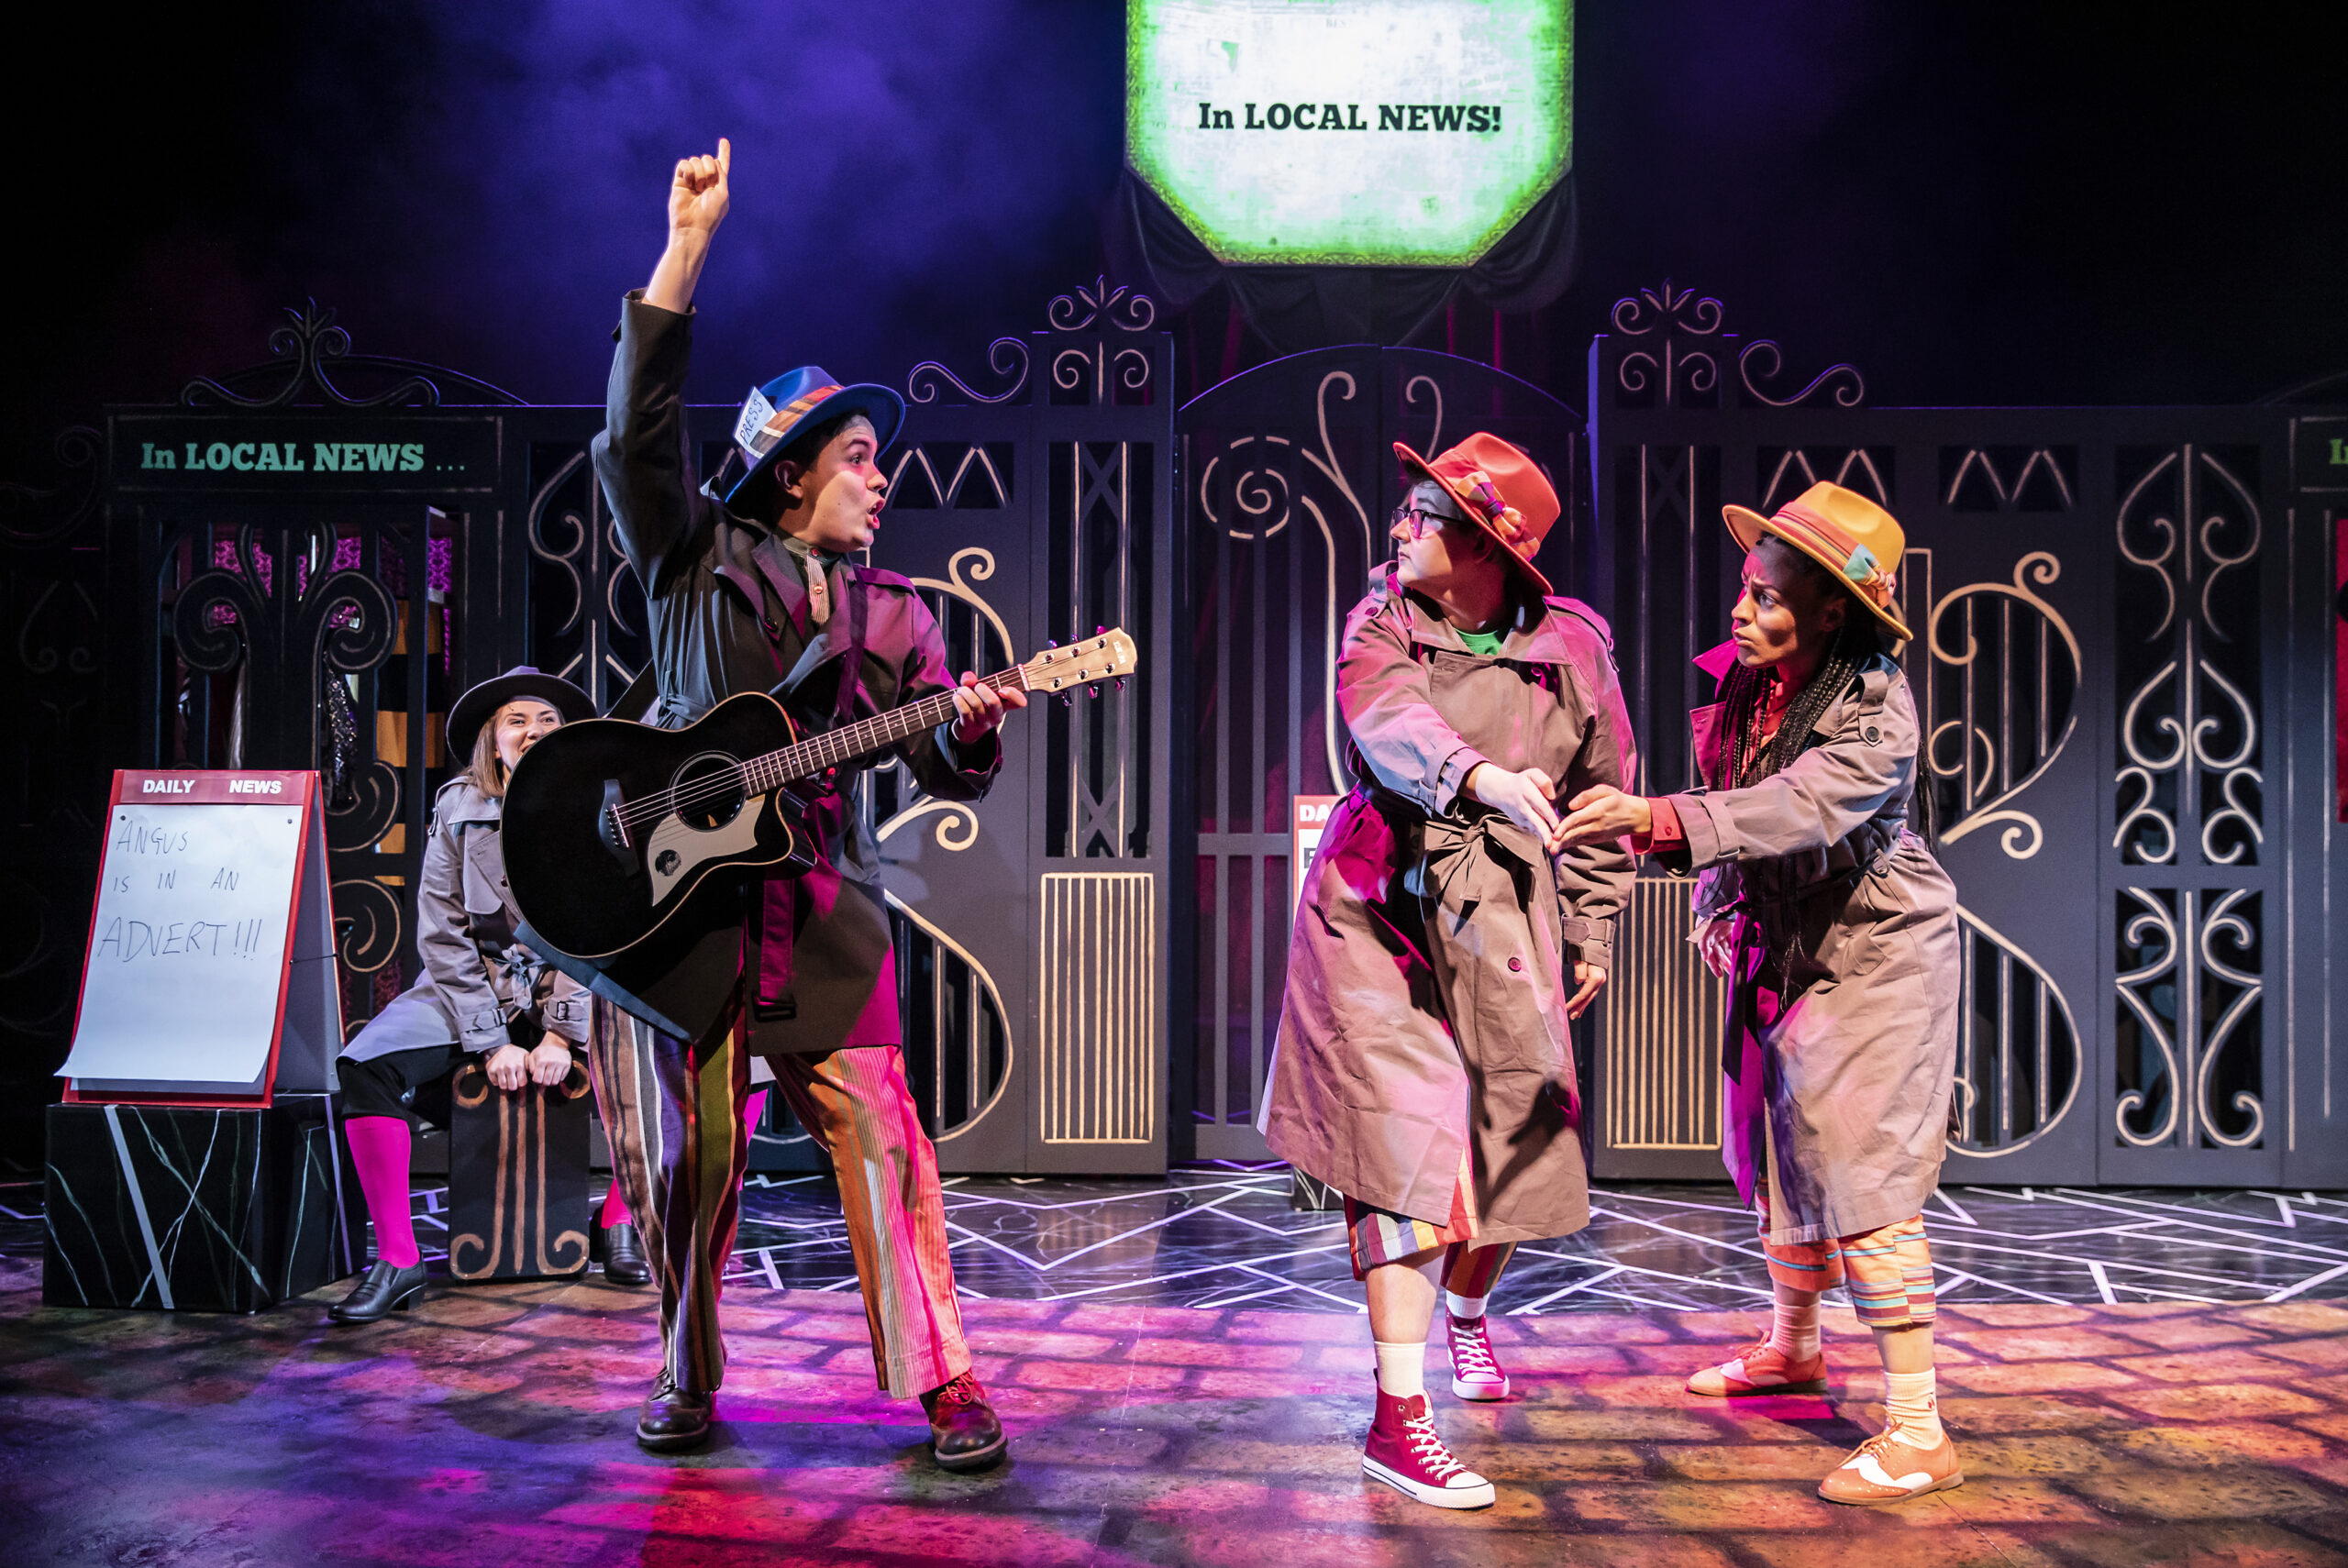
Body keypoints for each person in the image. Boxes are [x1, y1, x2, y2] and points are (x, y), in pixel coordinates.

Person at [582, 138, 1024, 1466]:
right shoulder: (691, 559)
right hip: (686, 917)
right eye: (859, 457)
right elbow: (635, 430)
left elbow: (941, 763)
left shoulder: (897, 614)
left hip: (828, 911)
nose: (882, 479)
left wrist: (972, 732)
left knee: (888, 1140)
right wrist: (687, 248)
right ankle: (687, 1371)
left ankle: (944, 1378)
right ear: (790, 471)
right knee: (695, 1162)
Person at [1555, 480, 1964, 1505]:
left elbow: (1799, 806)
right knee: (1779, 1150)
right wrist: (1712, 902)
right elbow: (1738, 801)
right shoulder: (1758, 688)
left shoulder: (1875, 708)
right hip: (1777, 940)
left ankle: (1919, 1429)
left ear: (1832, 612)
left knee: (1862, 1172)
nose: (1741, 611)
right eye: (1745, 590)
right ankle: (1793, 1347)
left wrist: (1658, 820)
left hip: (1872, 950)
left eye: (1768, 598)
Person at [1262, 434, 1638, 1509]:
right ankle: (1399, 1419)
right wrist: (1478, 776)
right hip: (1376, 909)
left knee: (1513, 1146)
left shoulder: (1573, 648)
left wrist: (1593, 931)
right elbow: (1389, 718)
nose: (1397, 527)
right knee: (1401, 1146)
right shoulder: (1381, 620)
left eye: (1419, 515)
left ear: (1481, 543)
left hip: (1505, 912)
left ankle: (1467, 1313)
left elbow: (1606, 794)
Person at [330, 667, 606, 1321]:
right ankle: (397, 1260)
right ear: (493, 739)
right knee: (365, 1066)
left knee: (686, 1058)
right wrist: (489, 1040)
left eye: (548, 721)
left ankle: (619, 1221)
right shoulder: (458, 806)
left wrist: (561, 1033)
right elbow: (442, 930)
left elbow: (602, 930)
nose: (534, 731)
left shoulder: (601, 804)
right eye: (518, 720)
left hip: (579, 987)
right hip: (476, 988)